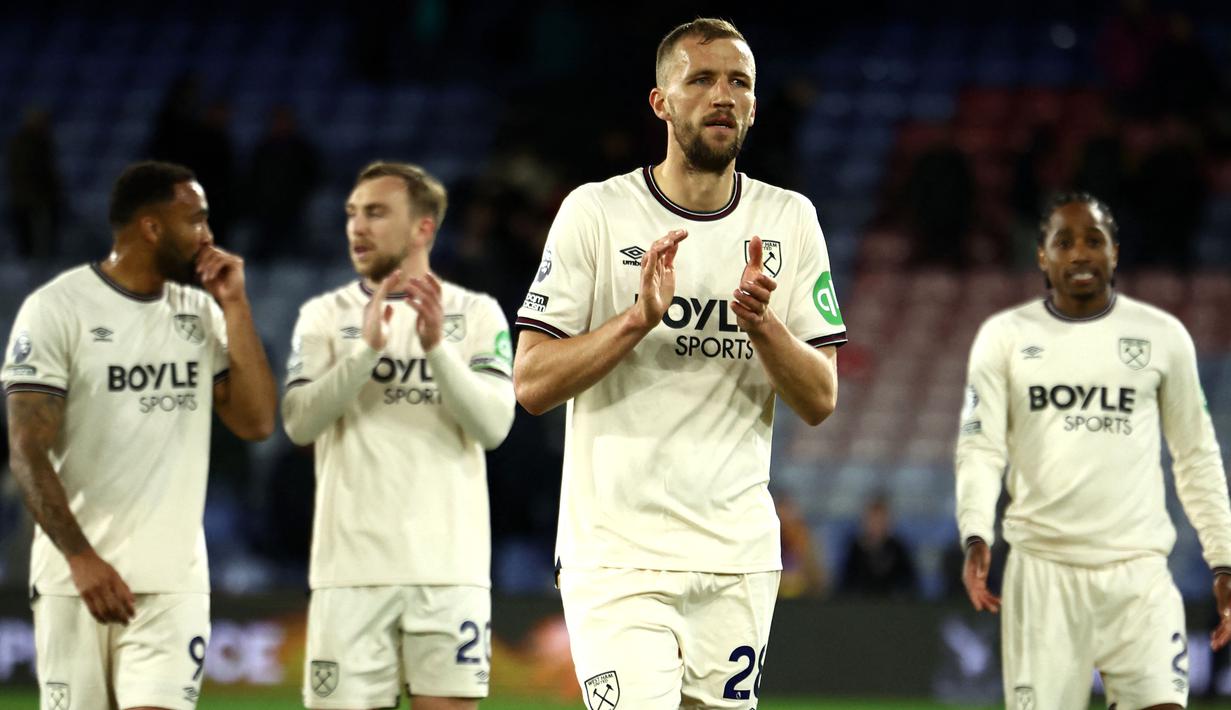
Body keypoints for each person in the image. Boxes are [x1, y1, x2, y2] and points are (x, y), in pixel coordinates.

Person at [513, 18, 845, 708]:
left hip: (735, 557)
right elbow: (531, 383)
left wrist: (763, 327)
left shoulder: (789, 220)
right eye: (700, 79)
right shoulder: (596, 213)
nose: (722, 95)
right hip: (617, 553)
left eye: (739, 82)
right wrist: (636, 320)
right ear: (661, 102)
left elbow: (819, 399)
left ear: (754, 106)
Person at [2, 160, 276, 709]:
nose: (209, 235)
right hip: (73, 581)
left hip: (172, 582)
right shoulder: (57, 309)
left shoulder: (200, 312)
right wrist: (80, 557)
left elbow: (257, 422)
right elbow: (27, 449)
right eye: (195, 220)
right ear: (151, 228)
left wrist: (236, 305)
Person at [956, 192, 1231, 710]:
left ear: (1115, 252)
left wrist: (1223, 560)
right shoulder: (1004, 337)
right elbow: (980, 447)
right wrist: (975, 530)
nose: (1080, 252)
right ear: (1042, 256)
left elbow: (1196, 456)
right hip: (1044, 574)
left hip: (1139, 573)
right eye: (1065, 241)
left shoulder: (1163, 337)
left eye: (1094, 240)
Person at [282, 161, 515, 709]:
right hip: (349, 576)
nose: (357, 227)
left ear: (423, 229)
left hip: (448, 572)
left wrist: (436, 348)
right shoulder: (323, 316)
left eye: (376, 213)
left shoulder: (477, 314)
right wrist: (365, 351)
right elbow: (298, 421)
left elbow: (493, 426)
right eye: (352, 214)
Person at [838, 494, 918, 598]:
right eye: (872, 520)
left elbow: (909, 581)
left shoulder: (898, 547)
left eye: (880, 520)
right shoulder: (855, 547)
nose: (876, 525)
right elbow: (846, 583)